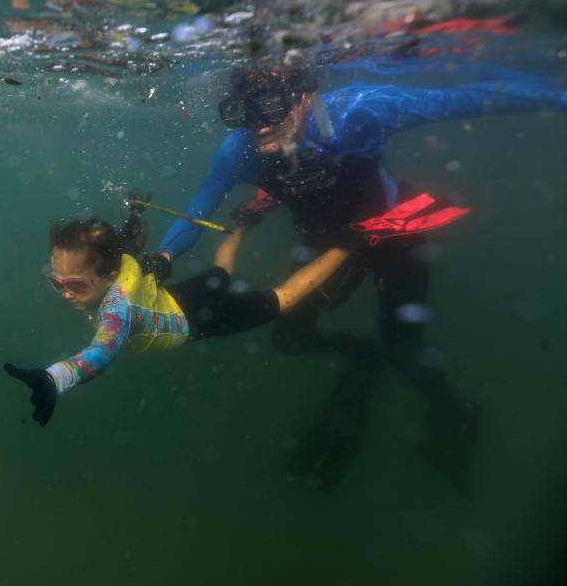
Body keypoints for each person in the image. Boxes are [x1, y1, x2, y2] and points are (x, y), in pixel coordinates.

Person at [147, 65, 567, 489]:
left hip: (392, 236)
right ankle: (362, 356)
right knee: (290, 336)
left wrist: (557, 93)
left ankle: (455, 412)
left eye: (272, 105)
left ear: (306, 97)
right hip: (327, 244)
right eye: (242, 112)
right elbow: (199, 207)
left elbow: (466, 99)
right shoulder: (237, 151)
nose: (259, 124)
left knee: (403, 349)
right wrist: (164, 256)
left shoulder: (362, 112)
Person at [4, 215, 351, 427]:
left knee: (285, 299)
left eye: (76, 285)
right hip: (174, 297)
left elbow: (101, 352)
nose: (64, 293)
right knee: (222, 273)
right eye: (56, 282)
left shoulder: (117, 309)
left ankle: (350, 244)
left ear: (109, 275)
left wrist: (55, 377)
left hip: (198, 321)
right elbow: (123, 249)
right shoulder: (116, 261)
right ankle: (246, 220)